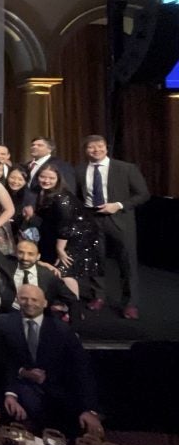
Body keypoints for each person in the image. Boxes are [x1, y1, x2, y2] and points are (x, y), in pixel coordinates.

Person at [0, 285, 102, 438]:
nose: (29, 303)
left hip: (56, 395)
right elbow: (0, 361)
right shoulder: (3, 324)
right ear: (17, 300)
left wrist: (88, 410)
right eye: (24, 299)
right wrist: (12, 391)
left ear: (45, 303)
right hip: (18, 389)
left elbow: (81, 369)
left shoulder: (62, 330)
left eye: (34, 299)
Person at [73, 134, 150, 319]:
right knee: (95, 260)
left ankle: (130, 303)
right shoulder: (80, 169)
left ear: (106, 148)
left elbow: (143, 194)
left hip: (119, 219)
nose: (96, 150)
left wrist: (119, 205)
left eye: (99, 146)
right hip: (92, 218)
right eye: (91, 147)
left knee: (127, 262)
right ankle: (98, 296)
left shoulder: (126, 168)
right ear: (86, 150)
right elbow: (77, 195)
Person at [33, 164, 105, 308]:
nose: (46, 180)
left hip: (76, 236)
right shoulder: (44, 192)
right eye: (43, 177)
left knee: (65, 270)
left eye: (51, 178)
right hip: (62, 234)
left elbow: (65, 224)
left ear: (58, 179)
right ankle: (62, 304)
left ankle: (73, 307)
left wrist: (60, 249)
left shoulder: (62, 197)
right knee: (58, 269)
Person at [11, 238, 80, 319]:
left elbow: (71, 299)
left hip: (39, 317)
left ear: (38, 256)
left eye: (30, 254)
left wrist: (72, 325)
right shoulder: (6, 265)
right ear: (15, 253)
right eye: (21, 253)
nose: (25, 258)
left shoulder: (48, 275)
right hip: (11, 314)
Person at [23, 137, 76, 205]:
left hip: (50, 207)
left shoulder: (61, 165)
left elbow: (69, 189)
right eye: (33, 145)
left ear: (50, 149)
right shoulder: (27, 165)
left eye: (39, 145)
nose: (34, 147)